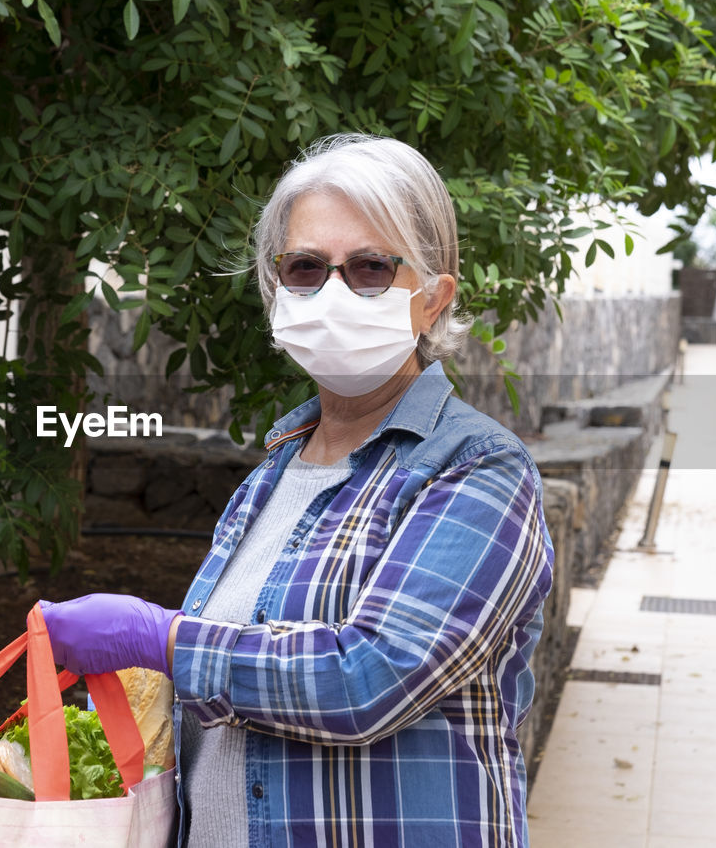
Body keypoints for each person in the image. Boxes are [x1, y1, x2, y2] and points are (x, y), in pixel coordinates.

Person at [41, 133, 554, 847]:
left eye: (371, 268)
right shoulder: (271, 476)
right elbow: (224, 685)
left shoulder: (479, 470)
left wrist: (158, 637)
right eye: (306, 267)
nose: (333, 291)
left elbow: (370, 676)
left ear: (433, 301)